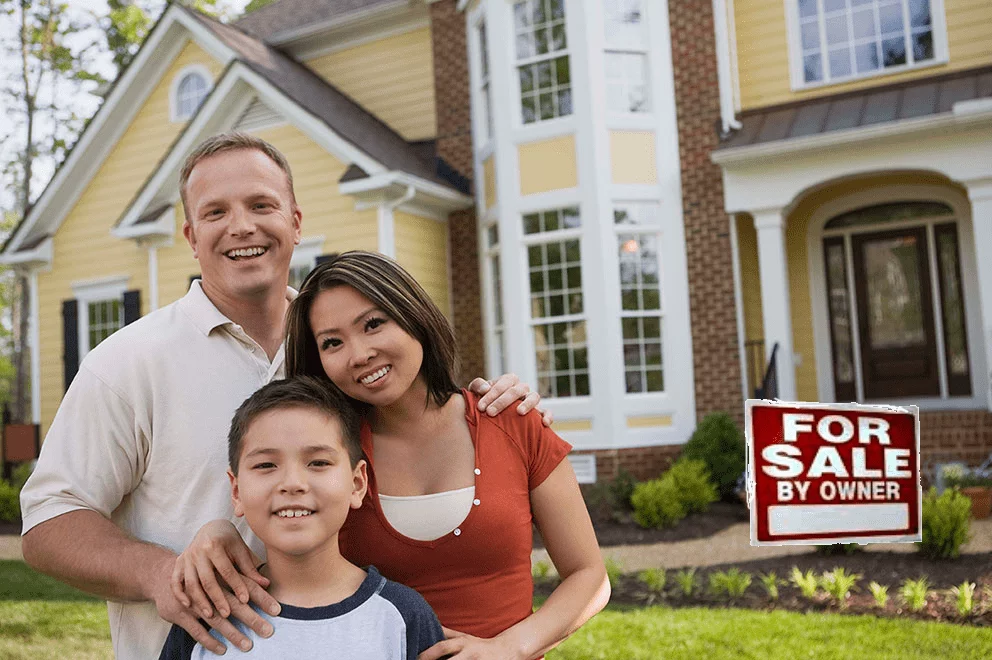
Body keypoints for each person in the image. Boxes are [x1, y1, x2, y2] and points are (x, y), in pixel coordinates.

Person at [18, 132, 548, 660]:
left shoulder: (339, 352)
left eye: (260, 204)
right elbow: (47, 523)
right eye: (215, 212)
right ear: (191, 235)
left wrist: (491, 404)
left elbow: (420, 419)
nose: (241, 226)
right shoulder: (128, 363)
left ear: (295, 222)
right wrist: (163, 572)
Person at [176, 250, 610, 659]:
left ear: (413, 316)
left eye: (373, 324)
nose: (360, 354)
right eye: (332, 343)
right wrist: (217, 530)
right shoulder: (330, 454)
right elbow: (284, 531)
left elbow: (589, 574)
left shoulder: (512, 421)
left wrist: (510, 647)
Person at [159, 376, 445, 659]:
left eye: (318, 462)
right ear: (236, 491)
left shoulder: (403, 618)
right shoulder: (208, 618)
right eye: (266, 465)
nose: (293, 483)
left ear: (357, 484)